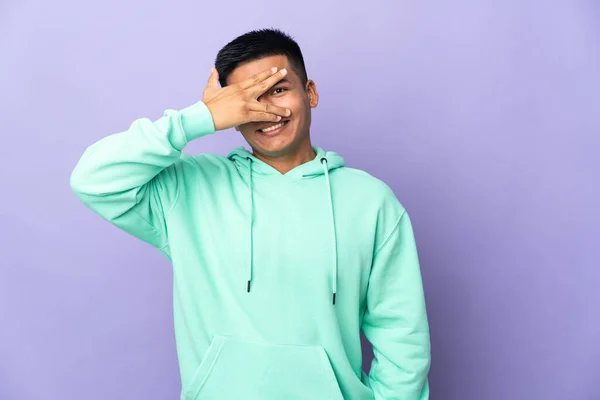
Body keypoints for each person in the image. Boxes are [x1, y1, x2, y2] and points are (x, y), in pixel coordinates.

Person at [70, 28, 431, 400]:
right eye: (248, 99)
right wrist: (199, 118)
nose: (267, 110)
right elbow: (93, 178)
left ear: (310, 93)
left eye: (278, 89)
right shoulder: (188, 189)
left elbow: (402, 335)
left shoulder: (370, 201)